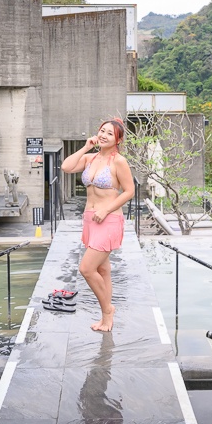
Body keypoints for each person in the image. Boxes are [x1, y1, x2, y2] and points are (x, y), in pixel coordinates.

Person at [61, 118, 135, 331]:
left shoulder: (119, 161)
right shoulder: (90, 158)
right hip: (90, 220)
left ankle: (108, 309)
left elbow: (129, 191)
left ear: (117, 139)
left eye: (110, 133)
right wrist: (86, 146)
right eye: (102, 131)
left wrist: (106, 209)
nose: (103, 135)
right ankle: (106, 319)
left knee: (86, 268)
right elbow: (66, 167)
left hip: (109, 219)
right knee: (102, 269)